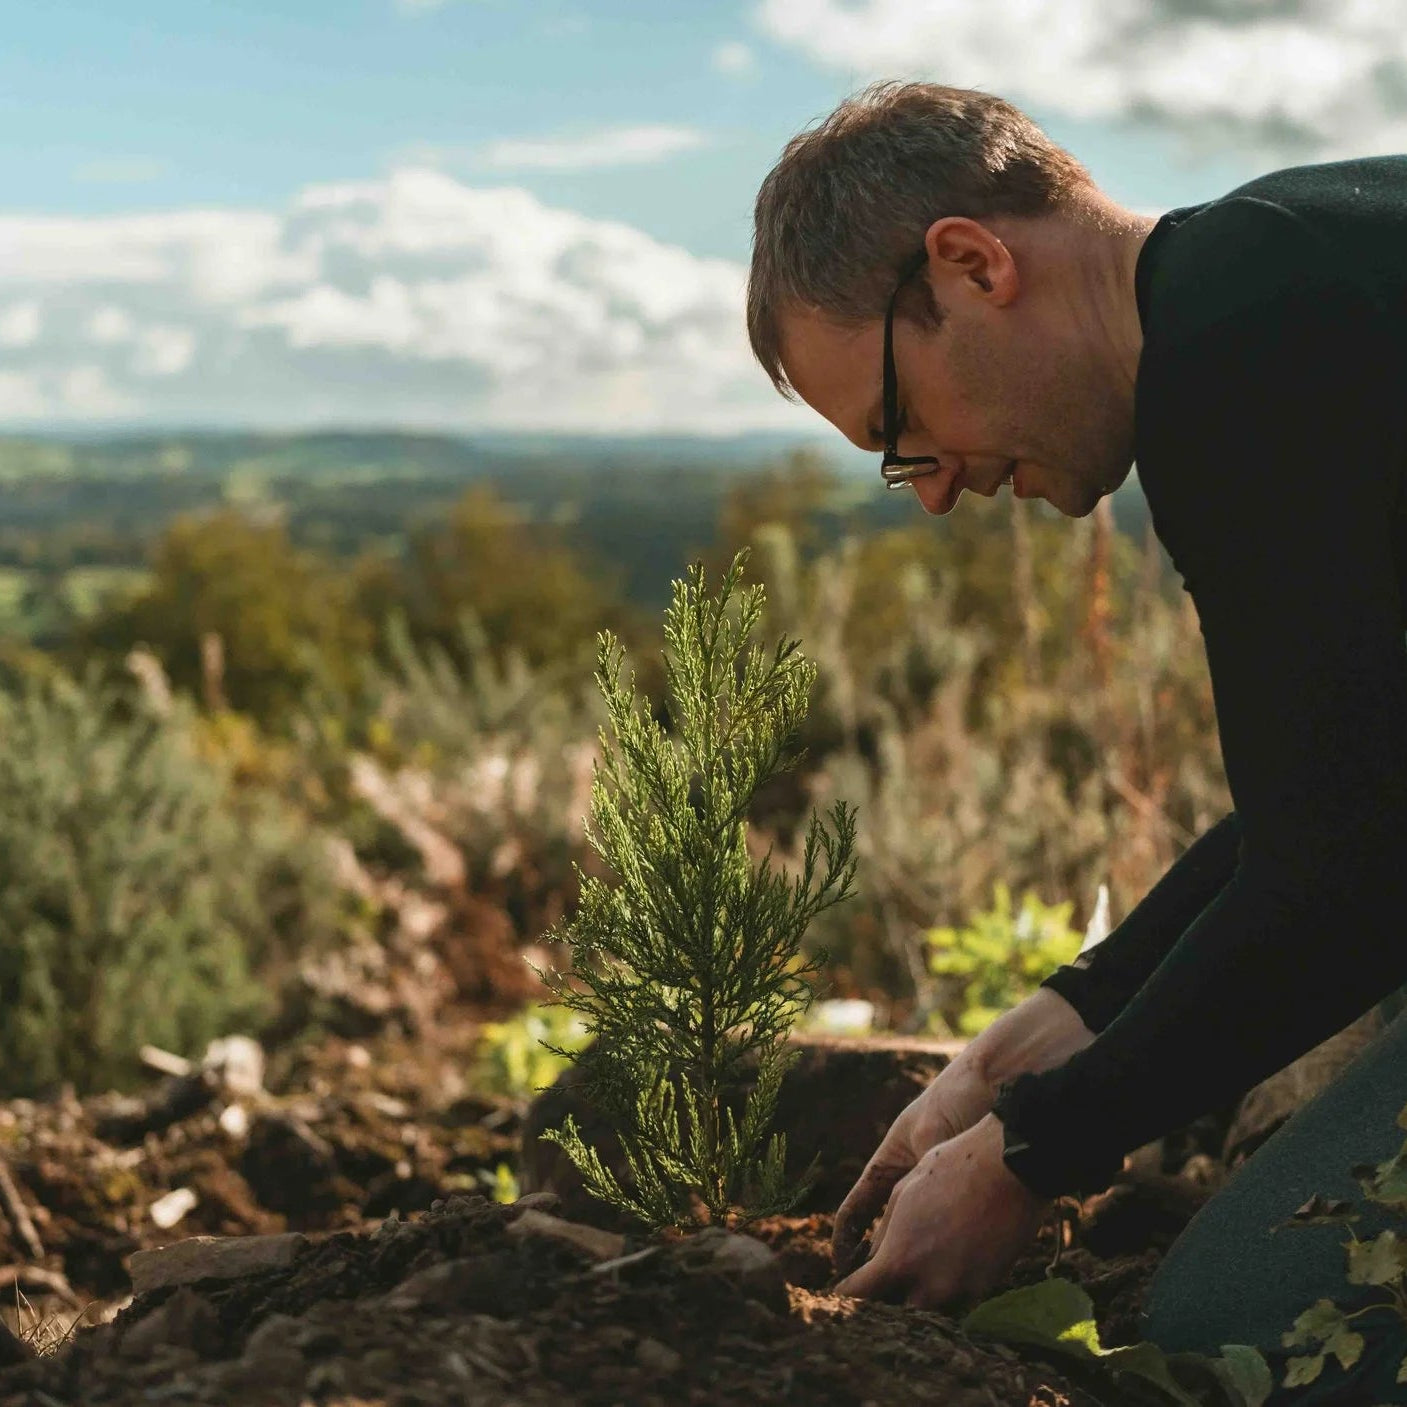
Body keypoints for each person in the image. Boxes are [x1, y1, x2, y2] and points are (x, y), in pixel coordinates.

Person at [747, 80, 1407, 1401]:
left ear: (975, 262)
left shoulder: (1246, 355)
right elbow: (1361, 785)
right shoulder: (1291, 258)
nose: (929, 489)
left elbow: (1350, 871)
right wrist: (1047, 1034)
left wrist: (1034, 1157)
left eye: (897, 424)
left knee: (1247, 1327)